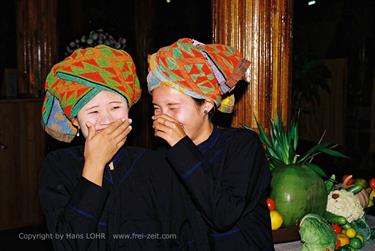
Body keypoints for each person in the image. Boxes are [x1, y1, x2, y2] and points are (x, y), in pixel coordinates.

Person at [39, 45, 176, 250]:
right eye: (93, 111)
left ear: (128, 109)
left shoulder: (153, 163)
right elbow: (69, 244)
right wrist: (94, 164)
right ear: (75, 120)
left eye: (115, 107)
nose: (106, 120)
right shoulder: (59, 166)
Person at [147, 38, 274, 251]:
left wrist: (181, 146)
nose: (162, 117)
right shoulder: (161, 158)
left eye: (173, 107)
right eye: (157, 108)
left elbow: (223, 215)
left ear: (206, 104)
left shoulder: (242, 146)